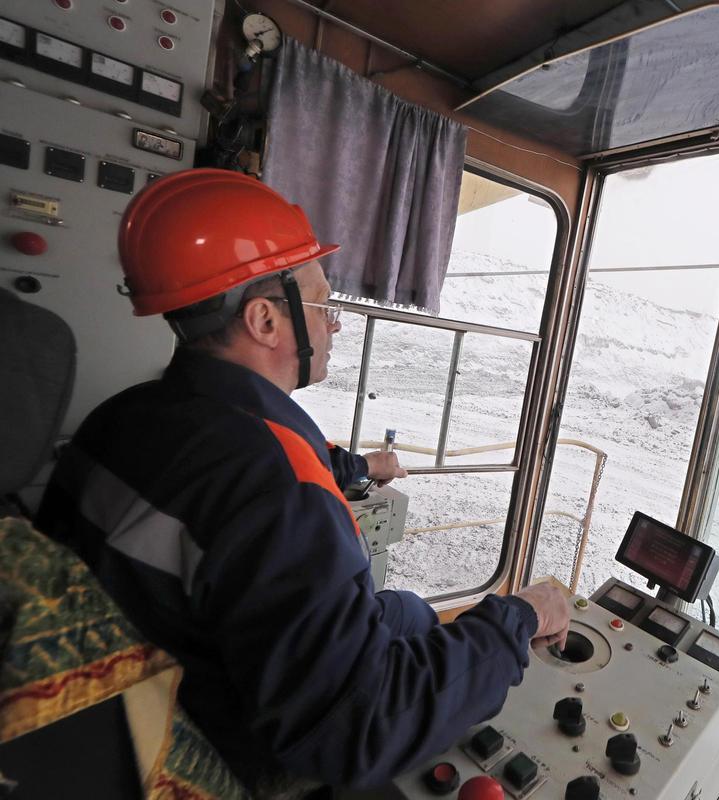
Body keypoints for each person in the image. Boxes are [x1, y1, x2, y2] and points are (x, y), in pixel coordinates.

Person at [35, 169, 570, 795]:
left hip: (124, 707)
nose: (334, 325)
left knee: (409, 610)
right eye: (322, 305)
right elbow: (356, 728)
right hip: (216, 747)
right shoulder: (277, 489)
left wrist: (360, 472)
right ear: (265, 320)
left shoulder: (119, 417)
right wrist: (515, 621)